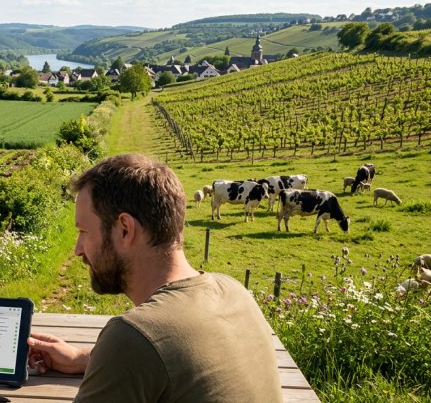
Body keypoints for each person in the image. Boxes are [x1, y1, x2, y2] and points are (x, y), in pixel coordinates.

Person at [27, 154, 282, 402]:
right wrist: (82, 359)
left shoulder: (133, 337)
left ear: (125, 229)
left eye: (83, 231)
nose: (77, 250)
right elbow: (177, 360)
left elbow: (144, 350)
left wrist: (112, 357)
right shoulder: (233, 291)